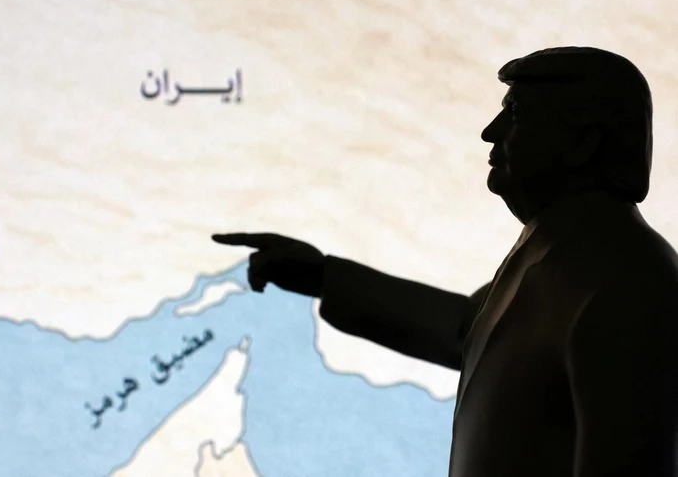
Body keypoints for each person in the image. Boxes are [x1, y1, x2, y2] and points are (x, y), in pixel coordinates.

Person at [211, 46, 678, 476]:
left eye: (516, 114)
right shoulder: (558, 251)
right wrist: (323, 277)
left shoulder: (629, 279)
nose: (491, 132)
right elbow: (464, 329)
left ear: (583, 144)